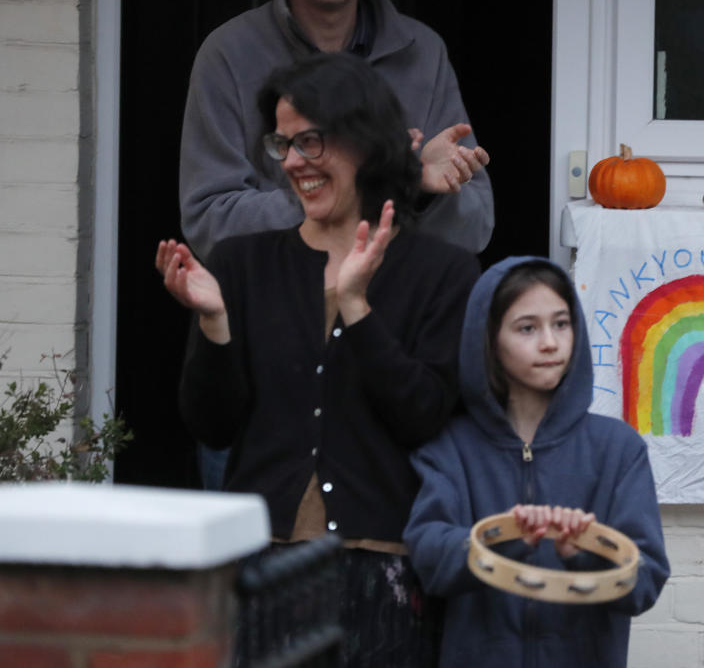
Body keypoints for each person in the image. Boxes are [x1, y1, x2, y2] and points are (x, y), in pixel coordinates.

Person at [158, 52, 479, 665]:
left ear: (365, 142)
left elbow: (425, 416)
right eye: (284, 144)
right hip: (264, 567)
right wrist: (215, 323)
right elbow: (212, 426)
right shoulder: (240, 264)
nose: (295, 162)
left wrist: (356, 307)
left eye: (312, 141)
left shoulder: (443, 273)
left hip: (389, 570)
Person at [179, 0, 492, 263]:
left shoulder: (423, 53)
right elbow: (209, 223)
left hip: (392, 318)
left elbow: (477, 226)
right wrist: (373, 186)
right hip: (276, 314)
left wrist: (423, 192)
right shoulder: (227, 55)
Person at [403, 256, 669, 667]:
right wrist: (507, 535)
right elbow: (429, 559)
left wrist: (584, 549)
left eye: (561, 324)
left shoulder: (618, 448)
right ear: (488, 339)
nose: (550, 342)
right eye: (527, 328)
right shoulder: (449, 446)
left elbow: (646, 579)